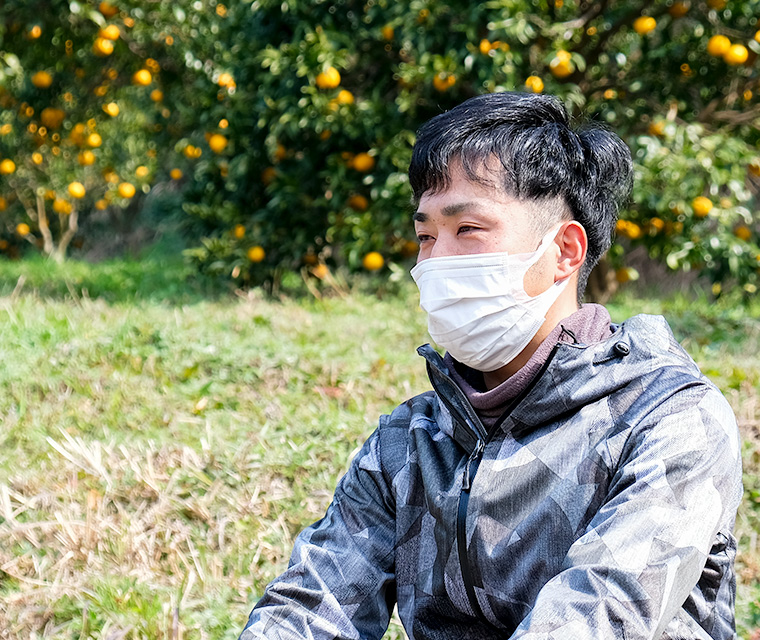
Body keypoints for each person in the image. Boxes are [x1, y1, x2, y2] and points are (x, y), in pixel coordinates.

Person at [239, 92, 743, 640]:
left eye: (469, 230)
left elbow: (595, 619)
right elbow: (312, 608)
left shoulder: (668, 421)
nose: (435, 262)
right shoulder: (410, 441)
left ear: (565, 252)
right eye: (425, 236)